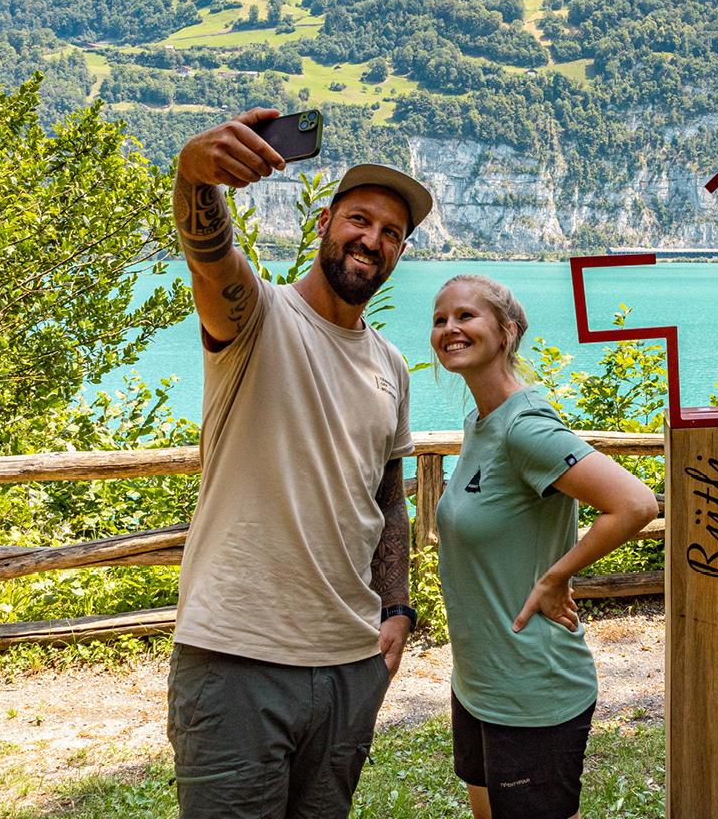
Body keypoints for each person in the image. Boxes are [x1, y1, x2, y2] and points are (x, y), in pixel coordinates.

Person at [168, 107, 433, 818]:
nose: (371, 240)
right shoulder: (255, 318)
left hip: (348, 665)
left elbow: (387, 496)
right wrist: (195, 174)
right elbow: (210, 254)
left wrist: (398, 609)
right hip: (238, 658)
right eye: (358, 219)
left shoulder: (390, 366)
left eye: (391, 234)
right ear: (323, 223)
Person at [430, 274, 659, 819]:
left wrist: (556, 577)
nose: (449, 328)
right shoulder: (482, 422)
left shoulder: (523, 428)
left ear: (507, 332)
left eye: (466, 316)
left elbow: (635, 504)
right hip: (479, 681)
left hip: (533, 689)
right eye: (440, 319)